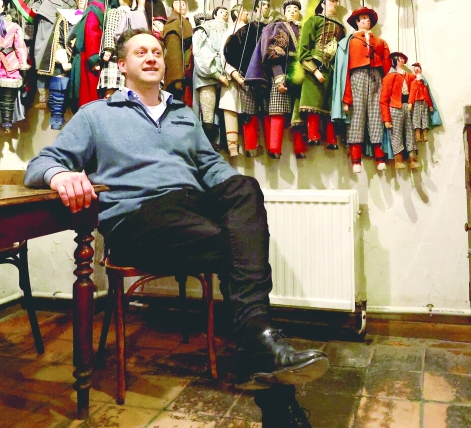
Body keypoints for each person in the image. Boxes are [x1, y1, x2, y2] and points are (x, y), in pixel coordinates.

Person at [25, 29, 328, 427]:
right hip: (137, 217)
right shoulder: (97, 114)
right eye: (140, 52)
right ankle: (268, 370)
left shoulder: (184, 114)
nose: (151, 57)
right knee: (243, 250)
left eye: (156, 51)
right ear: (123, 65)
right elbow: (40, 164)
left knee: (244, 187)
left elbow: (211, 166)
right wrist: (59, 175)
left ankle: (258, 346)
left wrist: (234, 193)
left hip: (190, 209)